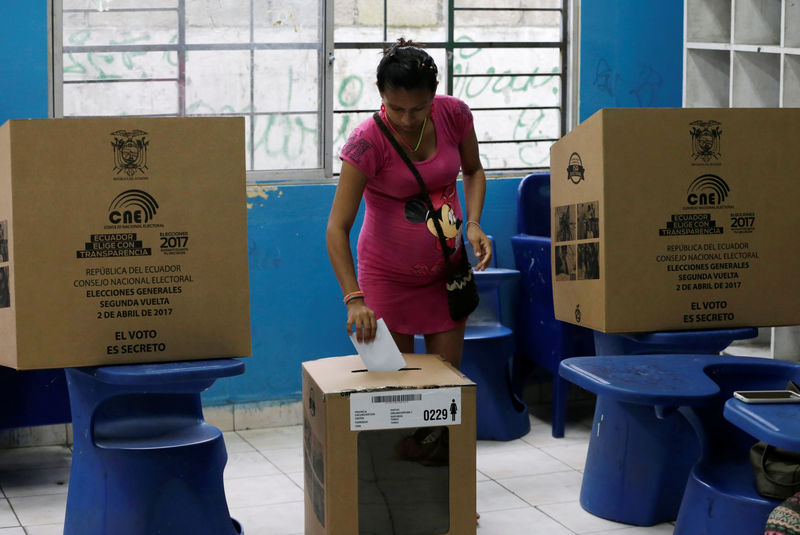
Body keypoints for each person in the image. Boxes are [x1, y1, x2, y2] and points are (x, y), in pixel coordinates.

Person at [326, 38, 491, 370]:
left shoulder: (454, 114)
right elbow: (337, 228)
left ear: (433, 95)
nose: (406, 119)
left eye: (418, 108)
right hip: (386, 281)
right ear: (380, 92)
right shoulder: (366, 143)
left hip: (447, 275)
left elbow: (473, 170)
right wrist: (354, 300)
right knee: (392, 390)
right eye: (396, 108)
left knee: (444, 390)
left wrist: (473, 223)